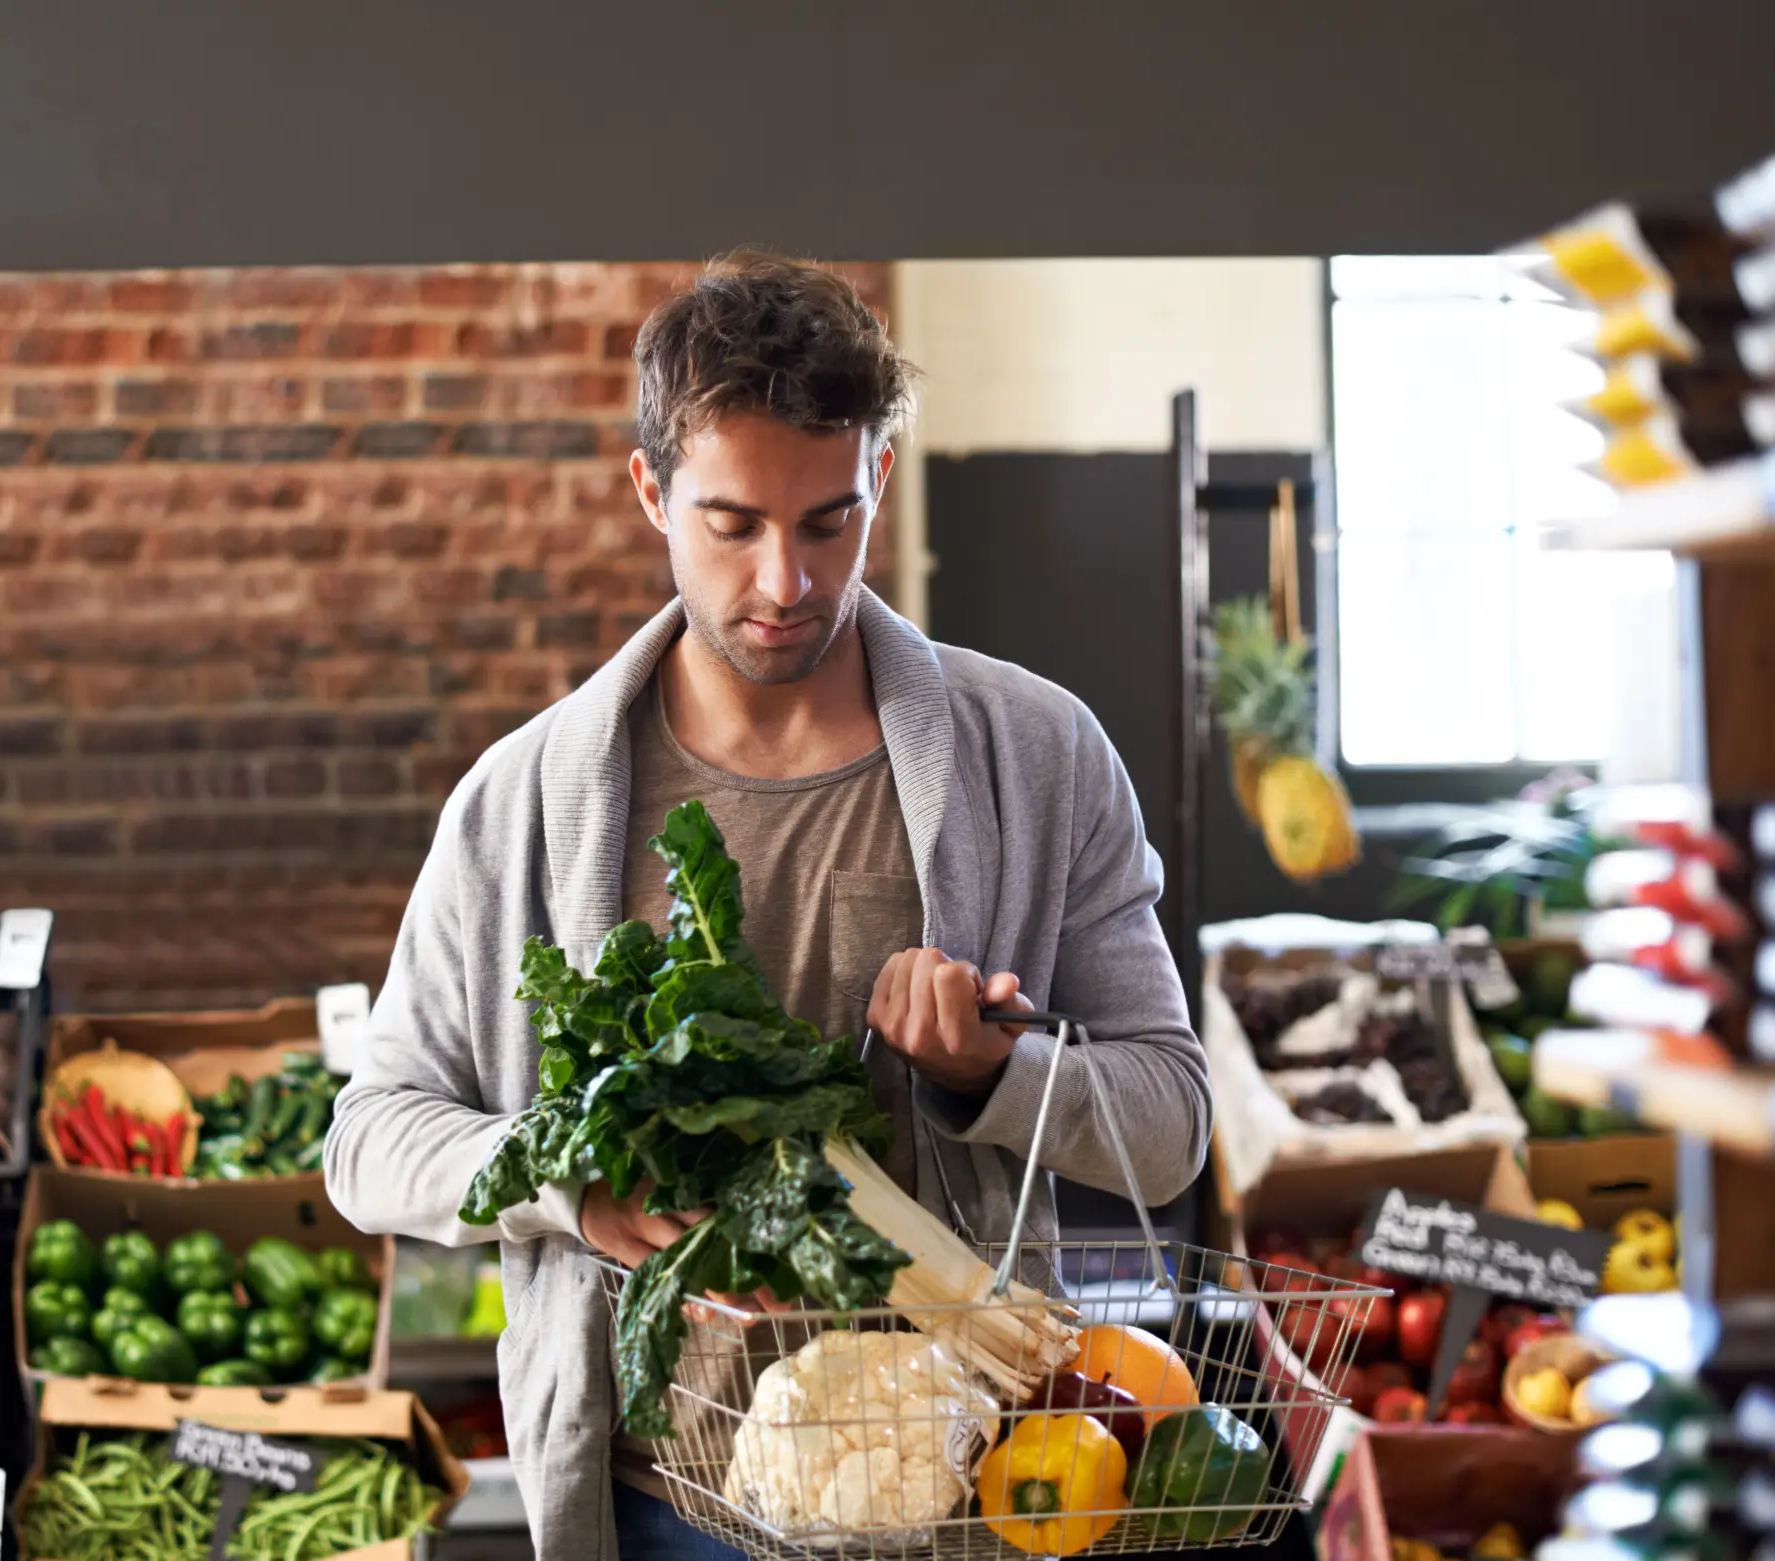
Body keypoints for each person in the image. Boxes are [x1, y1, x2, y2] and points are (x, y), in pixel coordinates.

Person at [325, 253, 1211, 1561]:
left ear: (881, 485)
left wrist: (994, 1073)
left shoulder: (1038, 752)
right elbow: (368, 1144)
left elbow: (1173, 1127)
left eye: (826, 522)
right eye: (732, 524)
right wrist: (573, 1192)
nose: (786, 582)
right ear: (651, 493)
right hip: (653, 1501)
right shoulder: (524, 801)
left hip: (976, 1478)